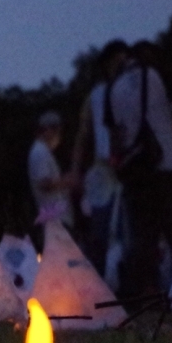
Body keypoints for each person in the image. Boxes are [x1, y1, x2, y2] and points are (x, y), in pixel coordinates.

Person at [105, 40, 172, 297]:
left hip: (137, 175)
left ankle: (142, 299)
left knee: (142, 241)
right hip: (171, 165)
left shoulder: (113, 88)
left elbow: (115, 139)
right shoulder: (156, 72)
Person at [70, 40, 128, 278]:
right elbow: (83, 134)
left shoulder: (131, 88)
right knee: (100, 233)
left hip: (130, 171)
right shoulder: (96, 95)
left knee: (129, 233)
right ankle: (99, 288)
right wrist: (76, 171)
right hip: (104, 171)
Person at [27, 111, 78, 231]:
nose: (59, 136)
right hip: (55, 220)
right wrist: (68, 181)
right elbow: (44, 184)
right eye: (57, 131)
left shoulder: (42, 151)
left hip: (56, 219)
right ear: (47, 130)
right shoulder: (40, 152)